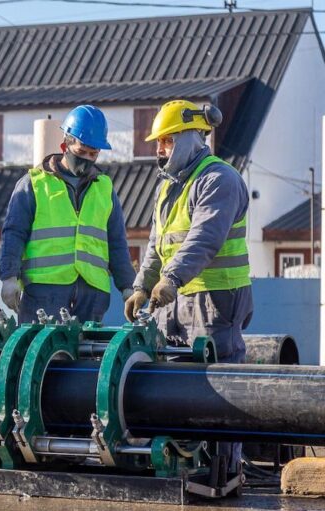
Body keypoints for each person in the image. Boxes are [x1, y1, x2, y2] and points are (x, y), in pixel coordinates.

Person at [124, 99, 252, 470]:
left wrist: (170, 280)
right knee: (175, 384)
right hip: (175, 298)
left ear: (193, 137)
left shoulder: (219, 179)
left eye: (167, 140)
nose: (160, 149)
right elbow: (156, 246)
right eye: (158, 142)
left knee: (219, 389)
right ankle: (184, 468)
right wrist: (141, 287)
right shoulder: (167, 188)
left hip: (215, 298)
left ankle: (224, 471)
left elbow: (203, 238)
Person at [0, 105, 135, 324]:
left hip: (92, 294)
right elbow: (14, 234)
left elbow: (117, 242)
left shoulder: (105, 189)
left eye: (93, 154)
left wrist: (128, 286)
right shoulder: (33, 185)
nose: (87, 158)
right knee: (41, 355)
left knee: (89, 357)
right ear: (65, 145)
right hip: (44, 293)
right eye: (81, 152)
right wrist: (9, 277)